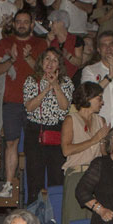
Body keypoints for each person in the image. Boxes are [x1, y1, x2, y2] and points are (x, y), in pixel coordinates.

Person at [0, 10, 45, 190]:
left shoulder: (40, 43)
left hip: (35, 101)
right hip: (11, 100)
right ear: (14, 24)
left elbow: (44, 74)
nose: (22, 24)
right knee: (10, 142)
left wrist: (28, 57)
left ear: (32, 25)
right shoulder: (5, 43)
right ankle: (8, 184)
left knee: (35, 147)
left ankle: (34, 188)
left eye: (26, 22)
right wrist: (13, 60)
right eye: (19, 22)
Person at [58, 80, 110, 224]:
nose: (102, 102)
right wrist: (94, 139)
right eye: (99, 98)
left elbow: (102, 152)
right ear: (88, 98)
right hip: (77, 174)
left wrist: (103, 142)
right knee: (73, 222)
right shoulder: (71, 120)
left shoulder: (100, 120)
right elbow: (66, 149)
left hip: (97, 176)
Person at [22, 48, 74, 203]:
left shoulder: (66, 82)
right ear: (41, 61)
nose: (50, 63)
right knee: (34, 179)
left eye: (54, 60)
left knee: (57, 179)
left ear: (59, 64)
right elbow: (29, 107)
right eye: (47, 59)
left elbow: (65, 107)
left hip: (57, 132)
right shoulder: (31, 80)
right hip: (35, 131)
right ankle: (33, 220)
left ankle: (55, 219)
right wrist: (45, 89)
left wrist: (55, 85)